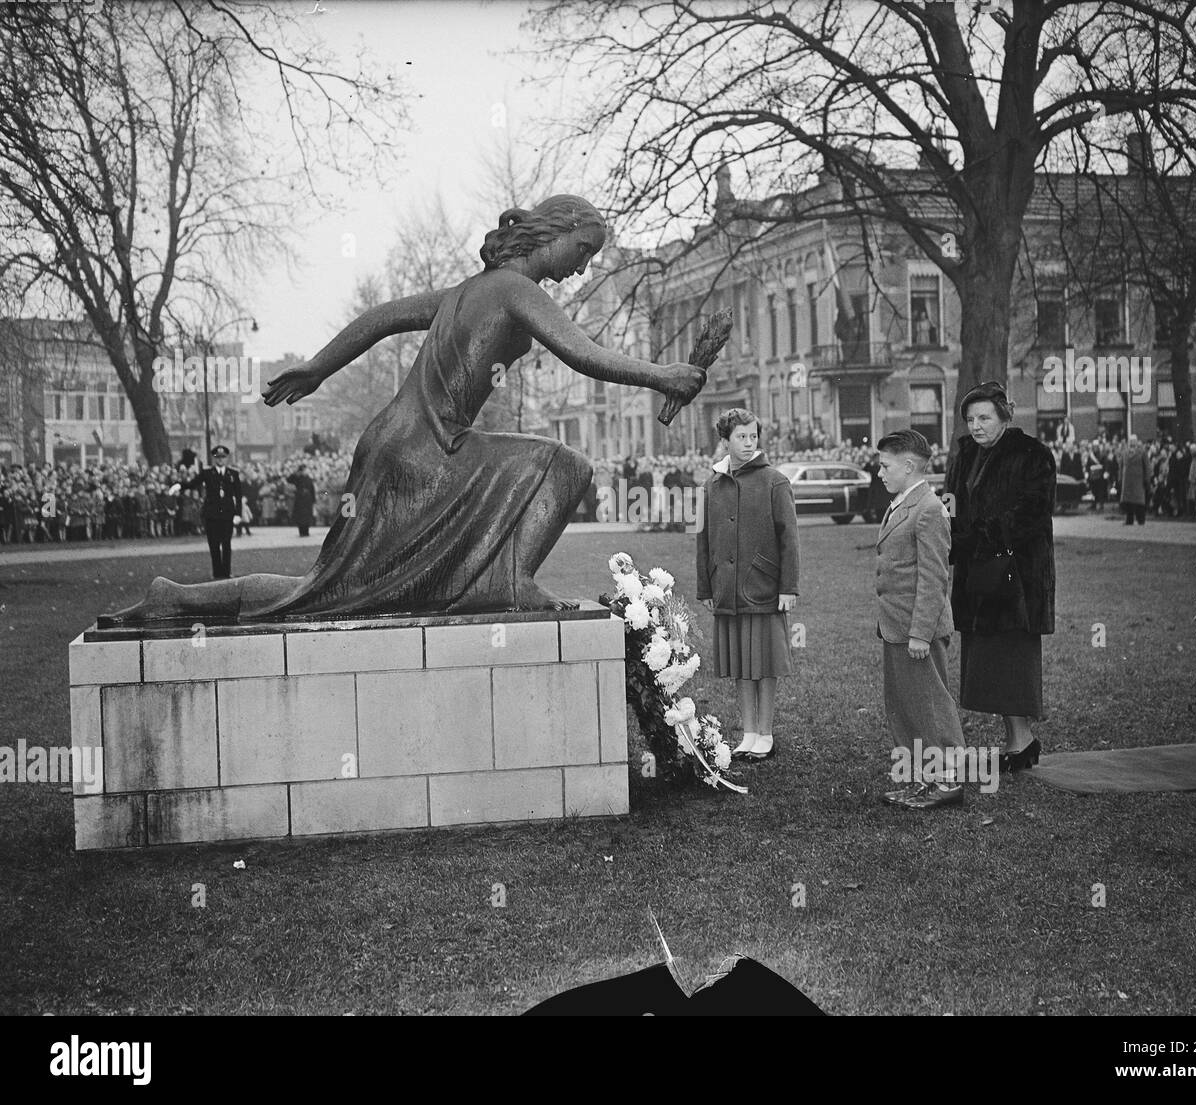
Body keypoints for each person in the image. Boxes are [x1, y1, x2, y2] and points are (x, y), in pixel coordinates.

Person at [106, 195, 704, 624]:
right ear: (555, 232)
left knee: (328, 589)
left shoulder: (472, 289)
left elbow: (384, 317)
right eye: (583, 249)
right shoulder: (515, 289)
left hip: (393, 443)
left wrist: (319, 367)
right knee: (567, 467)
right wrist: (663, 375)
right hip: (429, 449)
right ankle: (506, 582)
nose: (583, 265)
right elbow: (585, 355)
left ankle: (174, 596)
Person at [944, 381, 1056, 774]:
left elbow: (1032, 513)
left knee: (1012, 658)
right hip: (979, 577)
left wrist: (979, 537)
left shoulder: (1032, 455)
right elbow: (951, 504)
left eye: (984, 418)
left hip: (1017, 579)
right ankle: (1017, 741)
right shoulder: (965, 455)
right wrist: (949, 536)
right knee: (991, 661)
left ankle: (1021, 741)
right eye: (970, 419)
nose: (976, 426)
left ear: (1004, 416)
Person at [696, 408, 800, 762]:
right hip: (726, 588)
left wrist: (788, 587)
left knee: (765, 663)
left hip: (764, 588)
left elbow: (790, 539)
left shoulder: (775, 481)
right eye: (741, 436)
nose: (748, 442)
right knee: (741, 662)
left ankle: (766, 733)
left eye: (753, 436)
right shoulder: (710, 485)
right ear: (725, 441)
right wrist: (706, 588)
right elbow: (702, 540)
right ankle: (749, 732)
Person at [874, 430, 966, 810]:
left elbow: (934, 578)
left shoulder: (929, 509)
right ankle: (921, 779)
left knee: (930, 706)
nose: (879, 473)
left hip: (916, 630)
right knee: (906, 707)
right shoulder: (903, 502)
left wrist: (921, 634)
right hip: (898, 627)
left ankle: (948, 782)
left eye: (885, 466)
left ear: (909, 466)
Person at [182, 445, 243, 580]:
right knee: (214, 544)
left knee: (226, 544)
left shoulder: (233, 474)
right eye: (218, 457)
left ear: (226, 458)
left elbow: (238, 495)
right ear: (214, 458)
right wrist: (179, 485)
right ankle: (217, 572)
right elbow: (193, 484)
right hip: (212, 514)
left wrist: (238, 513)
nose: (220, 460)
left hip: (227, 514)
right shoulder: (207, 473)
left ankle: (226, 572)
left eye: (223, 457)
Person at [1119, 434, 1152, 525]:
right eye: (1131, 441)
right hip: (1127, 481)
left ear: (1137, 442)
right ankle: (1129, 520)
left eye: (1134, 441)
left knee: (1139, 502)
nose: (1132, 442)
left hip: (1138, 481)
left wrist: (1147, 479)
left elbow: (1147, 467)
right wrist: (1120, 478)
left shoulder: (1142, 452)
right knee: (1128, 502)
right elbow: (1121, 466)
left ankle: (1141, 519)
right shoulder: (1124, 452)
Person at [289, 464, 316, 537]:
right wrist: (296, 472)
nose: (306, 471)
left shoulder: (309, 479)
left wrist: (313, 500)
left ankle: (306, 531)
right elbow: (289, 479)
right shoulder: (297, 478)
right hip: (300, 500)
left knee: (307, 518)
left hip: (308, 501)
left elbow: (312, 490)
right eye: (304, 470)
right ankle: (301, 532)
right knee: (300, 518)